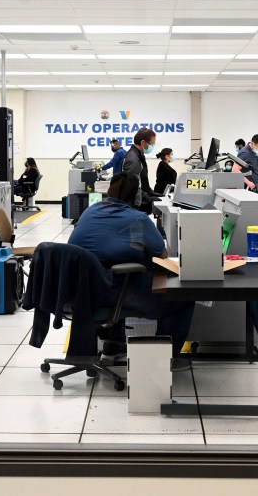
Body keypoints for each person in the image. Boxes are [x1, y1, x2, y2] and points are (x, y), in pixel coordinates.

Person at [68, 174, 195, 361]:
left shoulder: (90, 211)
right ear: (137, 197)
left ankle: (114, 344)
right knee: (180, 299)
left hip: (77, 291)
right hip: (108, 292)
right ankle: (165, 359)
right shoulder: (138, 219)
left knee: (118, 272)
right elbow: (162, 255)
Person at [121, 127, 160, 213]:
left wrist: (152, 193)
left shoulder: (139, 155)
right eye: (151, 144)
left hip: (137, 200)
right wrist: (147, 197)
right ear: (143, 142)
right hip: (133, 203)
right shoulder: (133, 159)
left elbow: (142, 180)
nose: (152, 147)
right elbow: (132, 185)